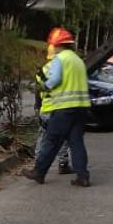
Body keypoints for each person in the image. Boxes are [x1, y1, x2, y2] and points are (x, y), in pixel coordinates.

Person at [22, 27, 91, 187]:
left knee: (51, 140)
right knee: (76, 142)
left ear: (57, 45)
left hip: (64, 108)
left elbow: (55, 80)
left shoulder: (60, 59)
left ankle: (39, 172)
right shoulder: (78, 60)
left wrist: (44, 87)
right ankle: (83, 176)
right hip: (81, 108)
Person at [33, 41, 72, 174]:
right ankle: (63, 163)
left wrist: (38, 107)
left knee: (43, 138)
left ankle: (37, 165)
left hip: (46, 109)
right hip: (61, 108)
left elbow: (38, 92)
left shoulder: (42, 71)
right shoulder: (66, 69)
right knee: (63, 137)